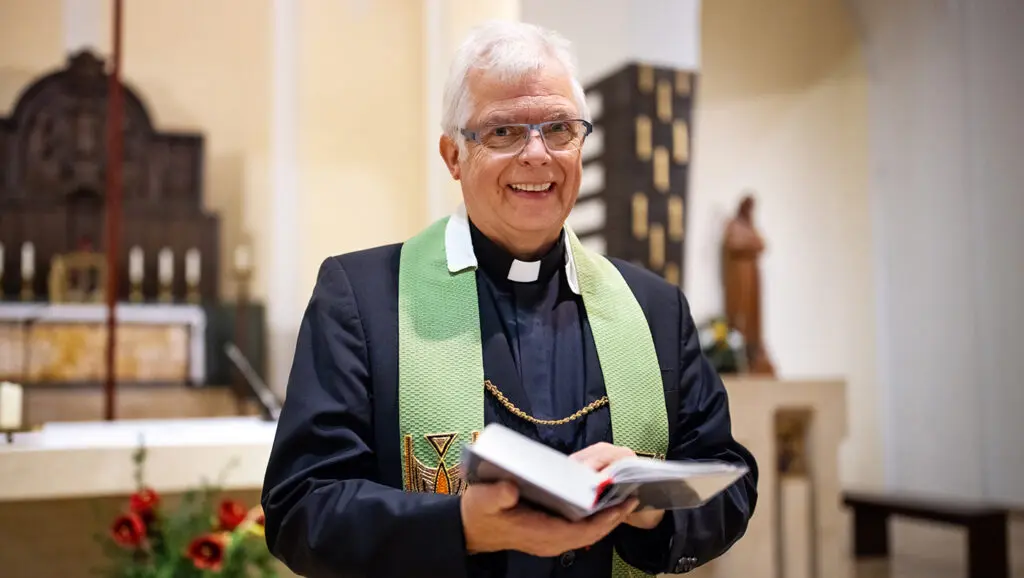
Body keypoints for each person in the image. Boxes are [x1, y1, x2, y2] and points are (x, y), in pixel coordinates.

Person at [261, 20, 758, 578]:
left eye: (559, 129)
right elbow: (300, 509)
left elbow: (729, 484)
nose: (537, 155)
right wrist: (460, 528)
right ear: (453, 156)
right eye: (503, 132)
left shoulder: (654, 308)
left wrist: (649, 509)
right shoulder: (362, 298)